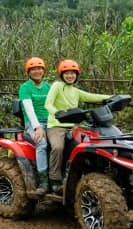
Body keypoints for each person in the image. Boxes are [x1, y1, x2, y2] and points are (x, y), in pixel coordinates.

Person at [43, 59, 111, 192]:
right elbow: (48, 104)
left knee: (87, 146)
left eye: (73, 73)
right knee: (57, 147)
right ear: (62, 75)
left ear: (77, 75)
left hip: (73, 127)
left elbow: (92, 96)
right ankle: (54, 179)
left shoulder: (75, 91)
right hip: (56, 126)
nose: (70, 76)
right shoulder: (56, 86)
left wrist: (111, 97)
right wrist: (57, 113)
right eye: (67, 73)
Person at [18, 56, 51, 192]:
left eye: (39, 69)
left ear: (43, 71)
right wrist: (37, 127)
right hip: (33, 123)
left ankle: (57, 177)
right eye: (33, 69)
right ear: (29, 72)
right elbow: (28, 108)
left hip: (51, 122)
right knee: (41, 143)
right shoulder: (25, 88)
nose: (37, 71)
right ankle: (43, 181)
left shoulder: (49, 87)